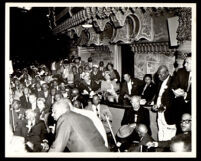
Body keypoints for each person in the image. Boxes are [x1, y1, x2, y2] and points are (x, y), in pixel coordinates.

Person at [152, 65, 176, 141]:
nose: (159, 76)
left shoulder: (174, 81)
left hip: (169, 114)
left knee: (169, 136)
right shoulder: (160, 83)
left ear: (167, 73)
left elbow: (176, 99)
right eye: (158, 74)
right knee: (161, 131)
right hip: (160, 113)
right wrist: (155, 105)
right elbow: (158, 96)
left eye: (161, 74)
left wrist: (165, 107)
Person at [171, 53, 192, 132]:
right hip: (181, 107)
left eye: (187, 63)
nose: (185, 65)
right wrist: (176, 90)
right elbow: (173, 85)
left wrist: (186, 94)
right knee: (180, 131)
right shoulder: (181, 72)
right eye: (185, 62)